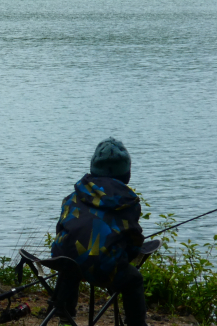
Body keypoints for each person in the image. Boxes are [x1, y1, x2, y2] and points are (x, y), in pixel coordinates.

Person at [51, 138, 146, 326]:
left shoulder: (73, 196)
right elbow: (134, 241)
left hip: (65, 263)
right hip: (105, 268)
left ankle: (65, 317)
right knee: (134, 279)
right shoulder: (127, 202)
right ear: (126, 174)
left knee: (71, 262)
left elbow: (61, 229)